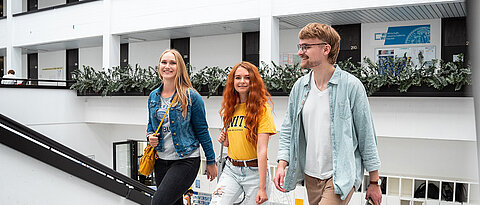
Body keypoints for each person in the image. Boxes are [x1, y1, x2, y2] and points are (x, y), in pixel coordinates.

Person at [273, 23, 382, 205]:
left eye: (306, 47)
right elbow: (288, 129)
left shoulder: (351, 86)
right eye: (300, 46)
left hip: (340, 175)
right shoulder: (300, 87)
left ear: (326, 49)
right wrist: (281, 164)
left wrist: (374, 181)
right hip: (310, 176)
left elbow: (366, 136)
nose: (300, 52)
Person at [147, 49, 217, 205]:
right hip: (161, 160)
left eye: (173, 63)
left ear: (180, 68)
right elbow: (151, 125)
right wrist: (150, 136)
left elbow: (202, 131)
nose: (168, 66)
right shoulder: (153, 96)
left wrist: (211, 161)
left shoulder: (191, 97)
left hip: (186, 160)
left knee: (158, 203)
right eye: (164, 62)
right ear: (159, 66)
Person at [211, 61, 276, 205]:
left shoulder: (263, 109)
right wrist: (226, 141)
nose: (242, 81)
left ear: (254, 81)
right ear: (232, 81)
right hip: (231, 170)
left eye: (247, 77)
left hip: (255, 172)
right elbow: (232, 143)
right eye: (238, 77)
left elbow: (262, 150)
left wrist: (262, 187)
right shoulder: (230, 107)